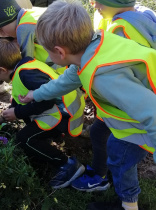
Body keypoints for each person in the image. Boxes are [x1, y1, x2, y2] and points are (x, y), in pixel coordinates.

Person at [18, 1, 156, 209]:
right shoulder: (93, 46)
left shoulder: (104, 78)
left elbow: (152, 113)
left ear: (59, 52)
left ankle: (129, 205)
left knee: (118, 158)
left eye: (48, 52)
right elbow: (66, 81)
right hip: (131, 112)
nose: (47, 56)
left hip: (141, 122)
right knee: (99, 133)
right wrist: (35, 95)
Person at [72, 0, 156, 193]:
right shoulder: (142, 15)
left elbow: (122, 78)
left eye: (99, 1)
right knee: (99, 133)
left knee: (120, 153)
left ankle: (121, 194)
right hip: (135, 101)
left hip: (132, 110)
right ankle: (102, 173)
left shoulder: (122, 29)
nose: (95, 6)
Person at [0, 38, 85, 189]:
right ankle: (47, 139)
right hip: (64, 110)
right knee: (26, 123)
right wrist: (8, 114)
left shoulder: (26, 75)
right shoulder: (25, 67)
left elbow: (47, 101)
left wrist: (18, 113)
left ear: (3, 70)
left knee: (24, 139)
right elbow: (22, 98)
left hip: (65, 114)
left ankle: (67, 164)